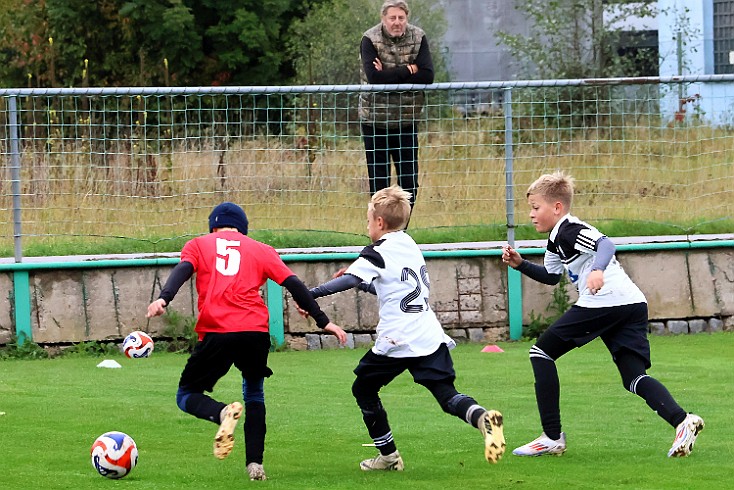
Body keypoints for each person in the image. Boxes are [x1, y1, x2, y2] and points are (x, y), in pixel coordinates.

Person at [501, 171, 704, 458]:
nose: (531, 214)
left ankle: (551, 436)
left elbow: (605, 245)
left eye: (536, 207)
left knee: (540, 353)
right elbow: (550, 276)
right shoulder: (555, 240)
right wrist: (520, 264)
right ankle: (683, 422)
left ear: (557, 207)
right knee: (633, 377)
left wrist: (597, 269)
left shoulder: (569, 229)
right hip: (631, 303)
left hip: (606, 300)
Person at [305, 185, 505, 471]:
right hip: (428, 334)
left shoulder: (377, 250)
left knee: (363, 389)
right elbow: (392, 289)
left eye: (367, 221)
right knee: (446, 395)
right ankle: (482, 418)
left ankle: (388, 457)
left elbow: (347, 281)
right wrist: (361, 281)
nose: (367, 227)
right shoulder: (410, 245)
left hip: (398, 338)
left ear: (379, 223)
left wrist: (310, 293)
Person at [146, 202, 347, 481]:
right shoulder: (261, 249)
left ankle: (222, 413)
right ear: (243, 229)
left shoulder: (199, 244)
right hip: (254, 332)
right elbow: (294, 284)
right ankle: (255, 465)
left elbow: (183, 270)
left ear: (213, 227)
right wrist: (323, 321)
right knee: (254, 393)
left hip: (218, 330)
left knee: (186, 396)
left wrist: (163, 298)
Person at [358, 0, 434, 215]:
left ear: (407, 18)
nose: (397, 22)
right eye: (392, 18)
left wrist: (389, 74)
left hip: (407, 120)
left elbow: (427, 75)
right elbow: (375, 78)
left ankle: (401, 231)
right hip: (375, 121)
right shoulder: (369, 39)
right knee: (379, 184)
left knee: (409, 182)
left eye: (401, 18)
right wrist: (410, 69)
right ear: (384, 19)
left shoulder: (418, 37)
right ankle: (380, 231)